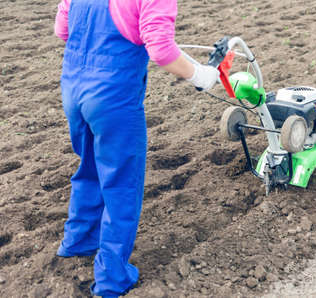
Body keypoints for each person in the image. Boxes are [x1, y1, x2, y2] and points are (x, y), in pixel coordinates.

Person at [54, 0, 219, 297]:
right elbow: (162, 51)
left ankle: (77, 240)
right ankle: (111, 280)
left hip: (73, 89)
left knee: (89, 167)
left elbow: (63, 31)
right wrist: (200, 75)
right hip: (112, 98)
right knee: (122, 186)